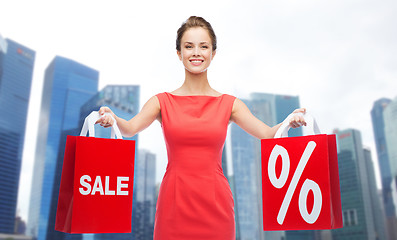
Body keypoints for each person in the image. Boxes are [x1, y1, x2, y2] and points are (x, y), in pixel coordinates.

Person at [96, 16, 306, 240]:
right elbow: (130, 128)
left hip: (216, 206)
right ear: (179, 54)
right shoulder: (161, 101)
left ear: (213, 53)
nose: (196, 52)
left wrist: (288, 121)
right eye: (189, 46)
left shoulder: (230, 104)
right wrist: (113, 118)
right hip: (173, 205)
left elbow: (266, 133)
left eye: (203, 46)